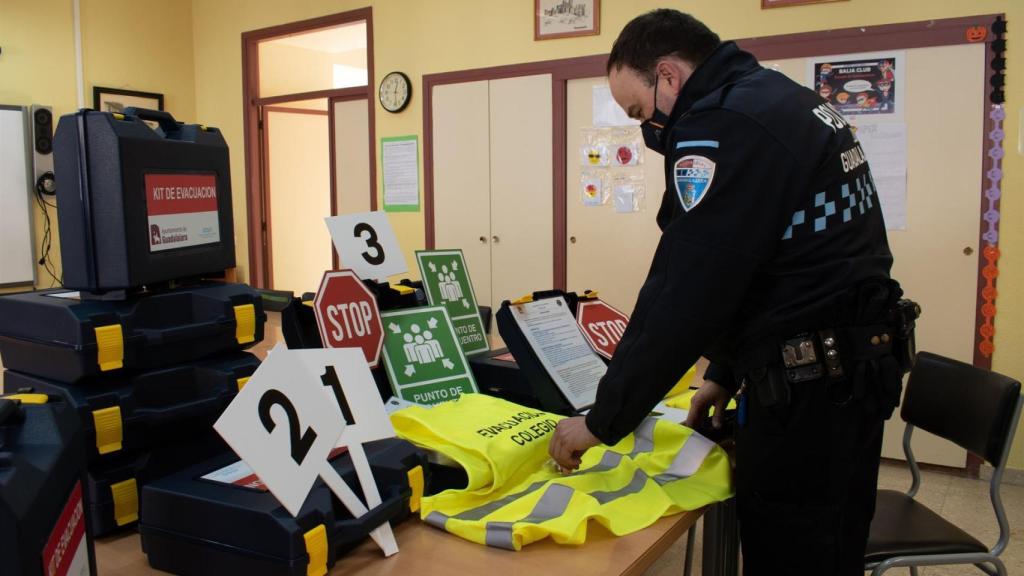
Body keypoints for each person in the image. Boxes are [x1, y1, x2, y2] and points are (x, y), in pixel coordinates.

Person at [548, 9, 909, 575]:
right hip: (848, 372)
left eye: (641, 112)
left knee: (792, 553)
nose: (649, 131)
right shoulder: (779, 99)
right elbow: (778, 264)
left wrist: (602, 420)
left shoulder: (723, 124)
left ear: (668, 75)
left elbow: (687, 289)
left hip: (810, 394)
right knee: (831, 544)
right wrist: (724, 370)